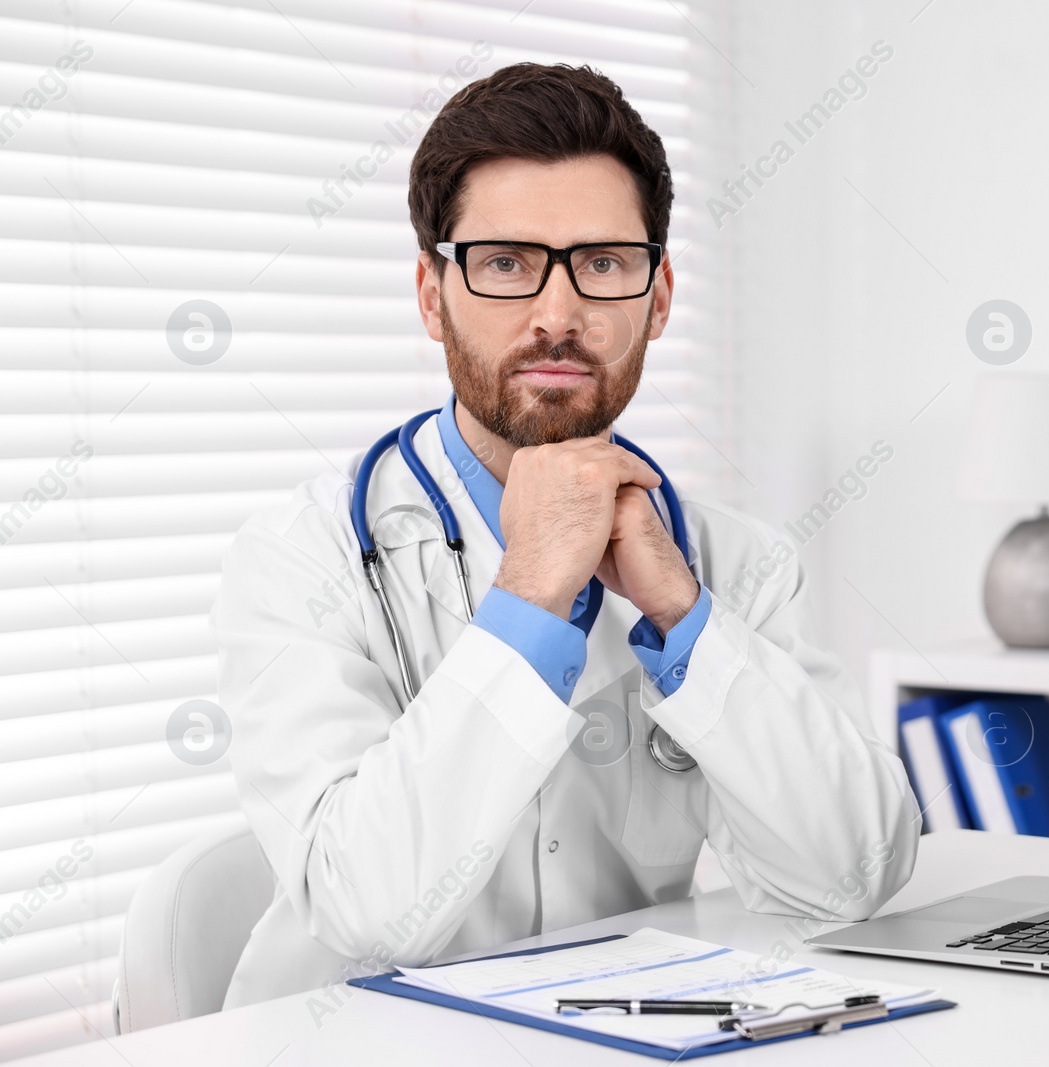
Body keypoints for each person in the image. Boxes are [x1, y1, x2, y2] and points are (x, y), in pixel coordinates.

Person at [210, 62, 919, 1008]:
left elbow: (851, 877)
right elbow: (367, 914)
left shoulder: (731, 563)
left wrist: (687, 621)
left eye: (602, 263)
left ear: (657, 297)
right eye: (505, 262)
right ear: (433, 294)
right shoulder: (306, 558)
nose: (557, 314)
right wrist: (530, 594)